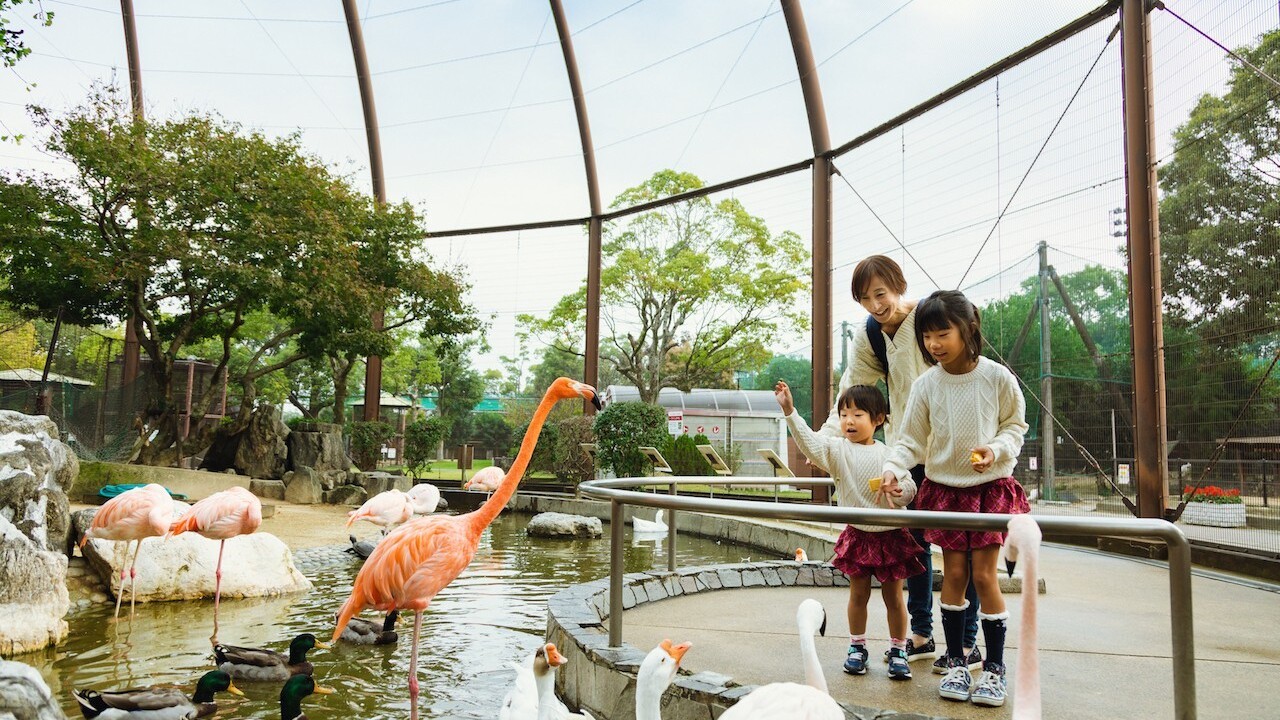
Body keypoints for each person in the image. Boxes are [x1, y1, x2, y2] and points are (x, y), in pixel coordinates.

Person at [819, 255, 981, 675]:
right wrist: (824, 442)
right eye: (865, 298)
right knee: (915, 549)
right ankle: (923, 636)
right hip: (907, 457)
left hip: (953, 454)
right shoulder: (870, 335)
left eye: (881, 294)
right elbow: (851, 393)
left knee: (963, 547)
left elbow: (965, 373)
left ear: (898, 286)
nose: (875, 304)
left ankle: (967, 641)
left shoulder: (928, 321)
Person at [881, 290, 1030, 707]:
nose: (933, 344)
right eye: (927, 336)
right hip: (945, 490)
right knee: (955, 576)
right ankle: (958, 660)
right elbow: (910, 438)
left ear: (969, 329)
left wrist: (994, 451)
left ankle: (995, 669)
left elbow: (1014, 426)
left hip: (988, 490)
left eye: (942, 333)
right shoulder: (927, 384)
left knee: (985, 576)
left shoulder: (998, 377)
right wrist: (893, 467)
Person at [776, 380, 921, 681]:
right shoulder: (837, 451)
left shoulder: (890, 454)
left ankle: (898, 650)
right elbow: (811, 444)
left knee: (894, 597)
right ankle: (857, 647)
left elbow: (910, 486)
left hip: (892, 533)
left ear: (878, 419)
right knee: (858, 595)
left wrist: (898, 490)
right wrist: (790, 411)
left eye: (858, 414)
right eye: (844, 414)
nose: (849, 421)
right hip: (858, 533)